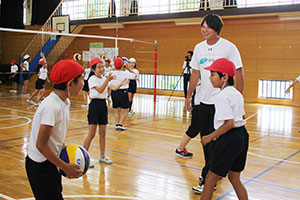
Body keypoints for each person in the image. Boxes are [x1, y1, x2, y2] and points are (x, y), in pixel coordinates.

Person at [175, 14, 244, 194]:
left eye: (208, 27)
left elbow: (238, 72)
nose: (204, 29)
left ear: (217, 29)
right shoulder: (198, 48)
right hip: (204, 102)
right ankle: (212, 172)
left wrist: (239, 100)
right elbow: (195, 74)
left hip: (221, 103)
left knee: (217, 141)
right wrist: (189, 96)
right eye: (203, 26)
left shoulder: (229, 47)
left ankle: (209, 177)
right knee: (206, 141)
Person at [25, 59, 84, 200]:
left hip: (51, 161)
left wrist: (65, 155)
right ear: (70, 84)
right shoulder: (52, 106)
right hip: (39, 166)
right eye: (81, 79)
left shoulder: (65, 102)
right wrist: (65, 166)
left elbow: (57, 137)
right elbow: (41, 145)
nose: (83, 83)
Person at [200, 58, 249, 200]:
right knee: (234, 177)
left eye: (213, 74)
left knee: (210, 178)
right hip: (242, 135)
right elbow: (241, 116)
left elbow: (229, 123)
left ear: (225, 77)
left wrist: (210, 136)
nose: (210, 78)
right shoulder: (236, 94)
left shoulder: (221, 96)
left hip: (230, 138)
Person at [83, 57, 129, 165]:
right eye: (99, 67)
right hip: (94, 105)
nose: (102, 69)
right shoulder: (92, 79)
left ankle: (102, 156)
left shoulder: (104, 78)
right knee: (91, 134)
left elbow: (113, 88)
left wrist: (122, 84)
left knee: (103, 134)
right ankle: (85, 157)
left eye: (102, 67)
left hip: (103, 105)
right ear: (93, 69)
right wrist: (107, 80)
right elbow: (100, 90)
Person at [110, 57, 137, 131]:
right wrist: (128, 69)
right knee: (125, 109)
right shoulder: (125, 73)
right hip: (123, 92)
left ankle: (117, 124)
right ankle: (120, 124)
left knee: (117, 110)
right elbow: (135, 75)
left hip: (114, 92)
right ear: (123, 65)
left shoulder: (111, 73)